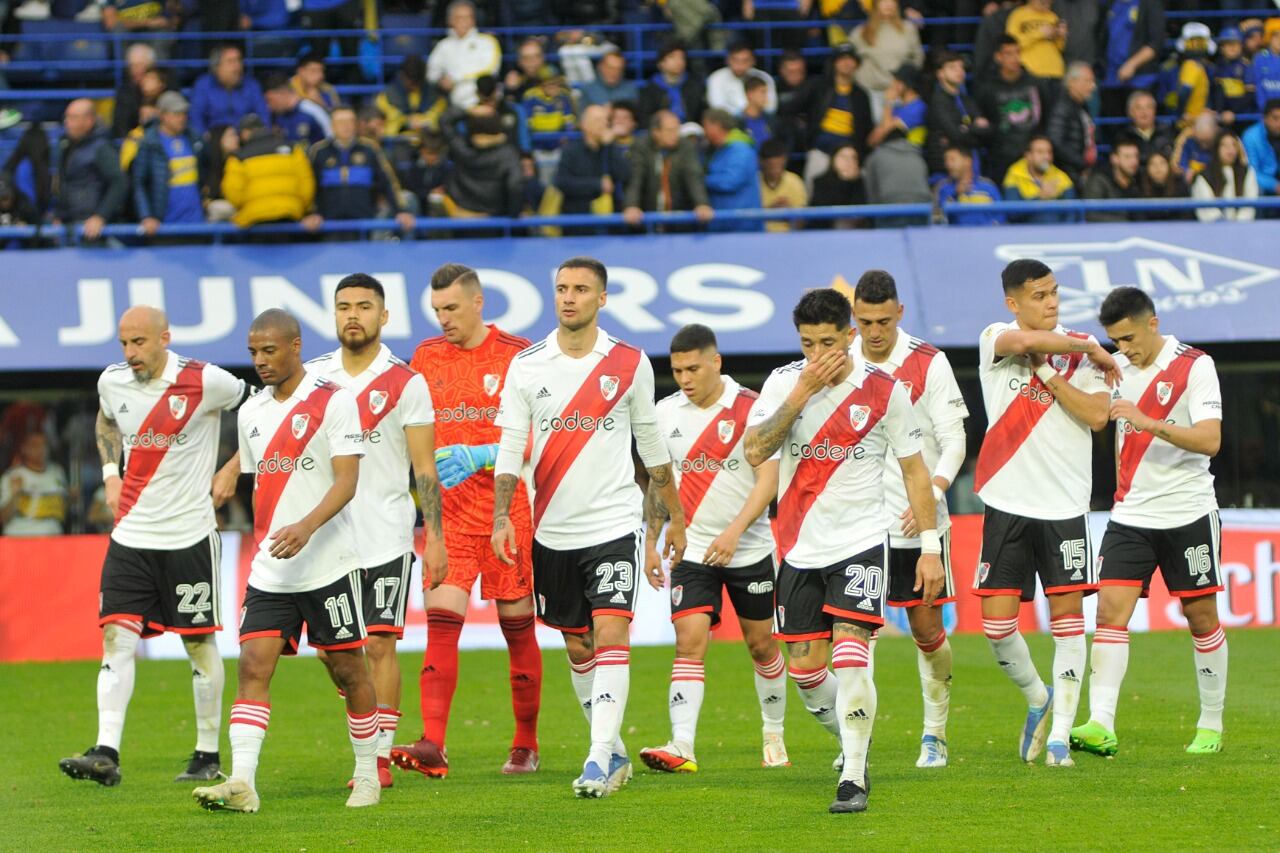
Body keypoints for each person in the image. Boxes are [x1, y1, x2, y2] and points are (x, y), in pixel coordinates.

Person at [490, 256, 685, 798]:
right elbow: (510, 447)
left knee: (611, 631)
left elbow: (651, 448)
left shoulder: (628, 362)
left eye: (580, 289)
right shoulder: (528, 366)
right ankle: (616, 749)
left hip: (614, 523)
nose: (568, 297)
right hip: (552, 531)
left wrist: (670, 515)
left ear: (602, 299)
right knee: (579, 647)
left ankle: (598, 758)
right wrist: (502, 516)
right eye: (561, 289)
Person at [743, 287, 942, 813]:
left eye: (827, 343)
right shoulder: (785, 383)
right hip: (798, 550)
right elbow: (755, 450)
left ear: (851, 336)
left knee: (853, 656)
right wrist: (801, 394)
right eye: (808, 344)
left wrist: (929, 547)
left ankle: (853, 776)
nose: (817, 355)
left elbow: (915, 472)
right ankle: (858, 736)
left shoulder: (884, 391)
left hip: (859, 542)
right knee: (807, 673)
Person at [191, 308, 377, 813]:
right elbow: (261, 474)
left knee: (347, 671)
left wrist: (306, 526)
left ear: (295, 346)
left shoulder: (333, 401)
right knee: (253, 664)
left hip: (328, 563)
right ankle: (243, 782)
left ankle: (367, 773)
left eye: (268, 351)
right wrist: (229, 477)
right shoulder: (250, 411)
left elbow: (347, 481)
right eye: (253, 352)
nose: (259, 361)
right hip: (272, 566)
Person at [57, 306, 248, 788]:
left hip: (188, 536)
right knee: (115, 637)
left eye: (139, 343)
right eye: (123, 344)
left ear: (165, 337)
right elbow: (105, 424)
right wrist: (109, 473)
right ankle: (105, 751)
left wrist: (233, 466)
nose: (130, 353)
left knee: (198, 643)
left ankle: (206, 753)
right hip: (131, 535)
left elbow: (266, 411)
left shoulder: (207, 381)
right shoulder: (113, 381)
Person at [394, 264, 542, 778]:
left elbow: (541, 434)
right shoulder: (425, 359)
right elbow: (417, 440)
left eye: (452, 308)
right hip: (450, 517)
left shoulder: (519, 356)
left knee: (517, 630)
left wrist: (484, 452)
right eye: (437, 311)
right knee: (440, 625)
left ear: (479, 303)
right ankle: (433, 742)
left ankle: (525, 743)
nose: (443, 319)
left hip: (508, 513)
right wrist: (429, 528)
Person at [972, 258, 1118, 770]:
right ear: (1014, 303)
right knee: (994, 626)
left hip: (1064, 508)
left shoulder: (1081, 355)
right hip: (1007, 502)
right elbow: (1021, 344)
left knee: (1069, 623)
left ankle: (1059, 738)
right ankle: (1040, 696)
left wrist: (1054, 369)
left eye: (1054, 292)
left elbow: (1098, 415)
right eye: (1039, 295)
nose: (1051, 302)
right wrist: (1085, 348)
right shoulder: (996, 335)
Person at [1071, 287, 1227, 760]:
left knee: (1201, 618)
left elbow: (1210, 440)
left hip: (1188, 512)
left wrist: (1147, 421)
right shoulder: (1114, 368)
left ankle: (1211, 723)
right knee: (1110, 613)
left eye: (1131, 338)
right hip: (1131, 514)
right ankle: (1101, 723)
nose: (1125, 348)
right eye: (1116, 340)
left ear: (1153, 324)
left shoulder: (1194, 366)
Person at [302, 275, 446, 789]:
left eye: (364, 306)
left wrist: (436, 538)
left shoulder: (406, 382)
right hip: (327, 536)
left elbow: (424, 468)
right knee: (333, 652)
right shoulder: (313, 379)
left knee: (380, 644)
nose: (353, 315)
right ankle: (365, 708)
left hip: (385, 531)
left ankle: (379, 757)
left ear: (384, 317)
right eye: (344, 307)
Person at [639, 324, 788, 774]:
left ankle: (773, 732)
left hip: (749, 549)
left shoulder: (752, 407)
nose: (684, 378)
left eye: (693, 368)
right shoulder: (664, 413)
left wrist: (735, 532)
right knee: (688, 642)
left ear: (716, 362)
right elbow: (658, 483)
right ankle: (682, 744)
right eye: (677, 369)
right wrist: (649, 541)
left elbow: (769, 480)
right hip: (692, 550)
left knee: (761, 645)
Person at [852, 270, 967, 768]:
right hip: (858, 525)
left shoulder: (928, 363)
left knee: (926, 632)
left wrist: (930, 495)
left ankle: (935, 734)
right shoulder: (841, 360)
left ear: (900, 313)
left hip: (918, 525)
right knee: (856, 635)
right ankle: (857, 742)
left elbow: (955, 440)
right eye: (863, 322)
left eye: (882, 321)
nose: (873, 332)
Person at [305, 105, 415, 234]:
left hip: (365, 224)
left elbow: (389, 181)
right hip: (327, 226)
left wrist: (401, 210)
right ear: (332, 126)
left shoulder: (370, 149)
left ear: (356, 124)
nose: (346, 126)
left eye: (350, 121)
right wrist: (310, 213)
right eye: (341, 122)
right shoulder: (318, 152)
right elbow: (308, 185)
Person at [800, 45, 875, 191]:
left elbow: (867, 128)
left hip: (850, 157)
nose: (846, 63)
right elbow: (792, 108)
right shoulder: (819, 87)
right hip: (820, 152)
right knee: (810, 195)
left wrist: (858, 157)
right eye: (842, 59)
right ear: (834, 63)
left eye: (850, 59)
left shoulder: (861, 95)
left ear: (856, 64)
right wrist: (802, 131)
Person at [621, 109, 713, 226]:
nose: (676, 135)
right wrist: (631, 206)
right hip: (647, 217)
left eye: (677, 130)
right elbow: (635, 179)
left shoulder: (686, 147)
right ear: (656, 132)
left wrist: (702, 203)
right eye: (670, 130)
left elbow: (693, 176)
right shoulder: (640, 147)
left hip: (679, 218)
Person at [976, 35, 1048, 184]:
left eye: (1017, 52)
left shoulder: (1036, 83)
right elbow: (985, 121)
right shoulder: (987, 89)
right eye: (1009, 54)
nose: (1015, 58)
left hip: (1033, 155)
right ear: (998, 57)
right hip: (1001, 158)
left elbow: (1047, 115)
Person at [221, 116, 315, 227]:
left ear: (245, 133)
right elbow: (307, 184)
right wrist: (302, 207)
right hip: (291, 214)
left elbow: (234, 193)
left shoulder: (238, 158)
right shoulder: (294, 150)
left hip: (255, 219)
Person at [132, 91, 205, 235]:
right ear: (163, 115)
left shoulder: (194, 138)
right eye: (177, 114)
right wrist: (146, 216)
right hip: (164, 225)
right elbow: (138, 183)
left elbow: (207, 167)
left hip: (197, 224)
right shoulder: (149, 144)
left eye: (184, 113)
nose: (182, 118)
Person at [57, 99, 127, 242]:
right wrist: (61, 215)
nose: (67, 122)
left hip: (93, 230)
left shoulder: (101, 147)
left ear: (89, 121)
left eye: (73, 118)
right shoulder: (66, 145)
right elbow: (67, 183)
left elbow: (120, 181)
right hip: (72, 224)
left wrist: (100, 216)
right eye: (67, 117)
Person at [440, 112, 525, 218]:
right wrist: (514, 214)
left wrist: (468, 111)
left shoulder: (462, 148)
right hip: (495, 217)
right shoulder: (508, 153)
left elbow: (445, 121)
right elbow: (515, 185)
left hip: (461, 213)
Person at [850, 0, 925, 114]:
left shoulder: (908, 29)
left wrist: (905, 82)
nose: (889, 4)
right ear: (875, 5)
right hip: (870, 91)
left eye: (892, 1)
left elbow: (918, 58)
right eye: (884, 1)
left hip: (900, 93)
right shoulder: (861, 32)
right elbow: (849, 61)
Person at [553, 104, 628, 216]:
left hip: (610, 218)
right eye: (598, 120)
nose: (604, 124)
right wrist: (597, 185)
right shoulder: (571, 150)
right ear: (585, 125)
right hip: (578, 217)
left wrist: (610, 146)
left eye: (606, 120)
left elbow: (625, 175)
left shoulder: (611, 148)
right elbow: (562, 182)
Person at [426, 0, 502, 110]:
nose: (465, 21)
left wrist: (455, 78)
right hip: (456, 103)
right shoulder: (443, 46)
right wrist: (441, 80)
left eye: (469, 17)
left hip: (484, 100)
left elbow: (491, 70)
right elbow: (431, 72)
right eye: (460, 17)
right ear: (450, 21)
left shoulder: (487, 41)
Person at [926, 51, 990, 175]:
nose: (959, 71)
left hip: (970, 165)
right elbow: (955, 134)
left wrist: (966, 129)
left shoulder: (966, 99)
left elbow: (987, 130)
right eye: (952, 67)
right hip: (945, 169)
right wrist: (974, 128)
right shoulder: (938, 101)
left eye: (961, 67)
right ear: (940, 74)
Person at [862, 117, 930, 226]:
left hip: (890, 207)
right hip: (922, 206)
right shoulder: (918, 156)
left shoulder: (875, 157)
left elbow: (871, 194)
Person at [702, 108, 762, 231]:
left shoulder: (740, 149)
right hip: (724, 224)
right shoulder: (719, 150)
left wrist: (701, 181)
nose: (704, 131)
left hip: (742, 226)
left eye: (706, 126)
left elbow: (730, 181)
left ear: (717, 126)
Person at [190, 45, 268, 138]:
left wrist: (257, 134)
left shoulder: (252, 85)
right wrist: (204, 136)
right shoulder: (203, 85)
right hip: (214, 139)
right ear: (216, 67)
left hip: (247, 139)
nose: (237, 66)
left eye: (239, 60)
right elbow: (196, 116)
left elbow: (263, 115)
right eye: (231, 61)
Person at [0, 432, 67, 535]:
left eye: (44, 445)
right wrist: (15, 494)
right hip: (20, 538)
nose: (41, 449)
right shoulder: (12, 477)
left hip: (52, 538)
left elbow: (63, 511)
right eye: (35, 445)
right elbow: (2, 517)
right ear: (24, 448)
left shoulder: (57, 473)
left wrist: (71, 497)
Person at [1002, 135, 1077, 223]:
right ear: (1028, 155)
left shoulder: (1062, 178)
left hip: (1056, 233)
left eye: (1049, 152)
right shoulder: (1014, 176)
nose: (1046, 157)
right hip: (1024, 233)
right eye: (1040, 152)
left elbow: (1071, 215)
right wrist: (1040, 198)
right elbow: (1012, 214)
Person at [1046, 61, 1097, 186]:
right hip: (1068, 174)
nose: (1093, 86)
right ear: (1072, 83)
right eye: (1088, 81)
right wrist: (1081, 163)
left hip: (1077, 171)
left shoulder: (1081, 106)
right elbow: (1055, 141)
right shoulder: (1062, 107)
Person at [1190, 131, 1258, 222]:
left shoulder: (1248, 172)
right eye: (1224, 145)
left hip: (1243, 228)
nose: (1230, 150)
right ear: (1216, 148)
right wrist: (1223, 227)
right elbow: (1207, 209)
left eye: (1234, 145)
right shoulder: (1203, 176)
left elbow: (1250, 205)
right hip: (1213, 230)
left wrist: (1239, 226)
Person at [1161, 23, 1217, 129]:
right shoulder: (1171, 69)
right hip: (1183, 123)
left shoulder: (1210, 69)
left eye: (1199, 43)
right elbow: (1167, 99)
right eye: (1193, 42)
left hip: (1199, 122)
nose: (1196, 47)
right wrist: (1179, 114)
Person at [1101, 0, 1163, 93]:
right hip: (1111, 78)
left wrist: (1132, 64)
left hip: (1141, 79)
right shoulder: (1109, 3)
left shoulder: (1150, 3)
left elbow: (1156, 42)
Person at [638, 41, 707, 125]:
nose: (678, 61)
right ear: (661, 63)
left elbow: (703, 113)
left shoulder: (695, 85)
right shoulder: (650, 89)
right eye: (672, 57)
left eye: (682, 58)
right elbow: (646, 118)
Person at [377, 56, 445, 137]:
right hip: (398, 142)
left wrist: (422, 121)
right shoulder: (386, 96)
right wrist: (406, 122)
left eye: (417, 83)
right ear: (402, 76)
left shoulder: (435, 95)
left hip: (427, 140)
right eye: (411, 83)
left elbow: (435, 117)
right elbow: (391, 121)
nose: (414, 87)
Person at [706, 42, 778, 117]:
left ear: (753, 61)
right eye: (735, 60)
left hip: (759, 120)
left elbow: (771, 107)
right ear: (728, 60)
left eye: (745, 61)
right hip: (728, 123)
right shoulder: (717, 78)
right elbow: (716, 106)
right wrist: (742, 114)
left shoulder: (764, 78)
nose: (739, 65)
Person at [936, 145, 1003, 225]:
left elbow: (1000, 216)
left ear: (967, 161)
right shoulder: (943, 187)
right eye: (946, 160)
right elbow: (939, 218)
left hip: (986, 235)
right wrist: (956, 194)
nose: (948, 164)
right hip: (956, 236)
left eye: (952, 160)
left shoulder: (988, 186)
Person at [867, 63, 926, 150]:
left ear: (908, 85)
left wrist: (888, 102)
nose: (893, 84)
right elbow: (872, 140)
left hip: (908, 156)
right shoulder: (897, 107)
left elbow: (887, 133)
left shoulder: (918, 109)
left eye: (897, 81)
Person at [264, 73, 332, 148]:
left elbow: (331, 138)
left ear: (283, 93)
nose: (269, 107)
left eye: (270, 100)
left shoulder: (312, 111)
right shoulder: (276, 116)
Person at [1083, 137, 1142, 222]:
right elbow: (1092, 215)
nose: (1134, 161)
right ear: (1114, 158)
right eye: (1127, 157)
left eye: (1136, 156)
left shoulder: (1138, 182)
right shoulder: (1099, 181)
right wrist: (1127, 224)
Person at [809, 144, 868, 229]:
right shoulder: (820, 182)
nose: (849, 161)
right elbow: (821, 210)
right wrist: (843, 182)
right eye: (844, 157)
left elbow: (861, 211)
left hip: (856, 232)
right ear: (833, 159)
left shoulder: (861, 182)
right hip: (824, 232)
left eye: (854, 158)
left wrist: (850, 182)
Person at [1005, 0, 1066, 81]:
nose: (1047, 2)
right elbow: (1010, 45)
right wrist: (1038, 34)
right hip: (1031, 71)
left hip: (1055, 71)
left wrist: (1060, 36)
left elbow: (1060, 48)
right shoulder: (1018, 14)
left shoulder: (1052, 16)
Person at [757, 137, 806, 232]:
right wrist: (771, 210)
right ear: (761, 161)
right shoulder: (753, 182)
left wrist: (789, 212)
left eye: (779, 165)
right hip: (759, 236)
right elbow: (746, 218)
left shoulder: (794, 181)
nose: (776, 170)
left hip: (790, 238)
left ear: (785, 160)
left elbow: (801, 222)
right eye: (771, 165)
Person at [112, 43, 157, 138]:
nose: (135, 70)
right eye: (132, 66)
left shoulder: (166, 83)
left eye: (140, 65)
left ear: (151, 66)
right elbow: (121, 126)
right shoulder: (125, 91)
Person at [1213, 27, 1254, 127]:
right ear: (1222, 47)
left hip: (1242, 115)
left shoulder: (1246, 66)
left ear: (1241, 46)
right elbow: (1217, 92)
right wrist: (1218, 111)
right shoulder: (1217, 67)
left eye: (1235, 44)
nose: (1232, 47)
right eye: (1228, 44)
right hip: (1221, 116)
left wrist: (1233, 112)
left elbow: (1250, 95)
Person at [1120, 90, 1174, 164]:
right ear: (1130, 112)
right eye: (1139, 108)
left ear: (1155, 110)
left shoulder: (1168, 132)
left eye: (1149, 107)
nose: (1144, 112)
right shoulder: (1123, 137)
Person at [1241, 99, 1280, 196]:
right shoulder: (1251, 137)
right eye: (1275, 118)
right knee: (1256, 189)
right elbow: (1251, 172)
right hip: (1263, 184)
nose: (1279, 124)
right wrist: (1275, 185)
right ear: (1264, 118)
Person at [1137, 151, 1190, 220]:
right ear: (1147, 168)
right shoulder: (1140, 189)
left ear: (1168, 166)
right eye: (1153, 164)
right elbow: (1139, 218)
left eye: (1162, 163)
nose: (1158, 168)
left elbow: (1187, 215)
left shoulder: (1180, 187)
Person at [1171, 111, 1219, 184]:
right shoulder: (1188, 141)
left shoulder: (1221, 141)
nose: (1204, 145)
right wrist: (1186, 170)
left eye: (1207, 142)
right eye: (1201, 141)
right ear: (1195, 133)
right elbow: (1180, 164)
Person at [504, 37, 556, 102]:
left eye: (536, 57)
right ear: (519, 61)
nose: (531, 62)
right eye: (526, 58)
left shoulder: (554, 79)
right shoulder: (514, 82)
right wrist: (510, 91)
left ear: (543, 58)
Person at [741, 77, 784, 148]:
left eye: (766, 93)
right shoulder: (737, 121)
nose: (766, 97)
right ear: (750, 94)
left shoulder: (773, 120)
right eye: (762, 92)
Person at [1251, 25, 1280, 112]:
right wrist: (1264, 109)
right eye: (1277, 37)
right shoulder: (1259, 58)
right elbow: (1258, 86)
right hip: (1265, 111)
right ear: (1269, 38)